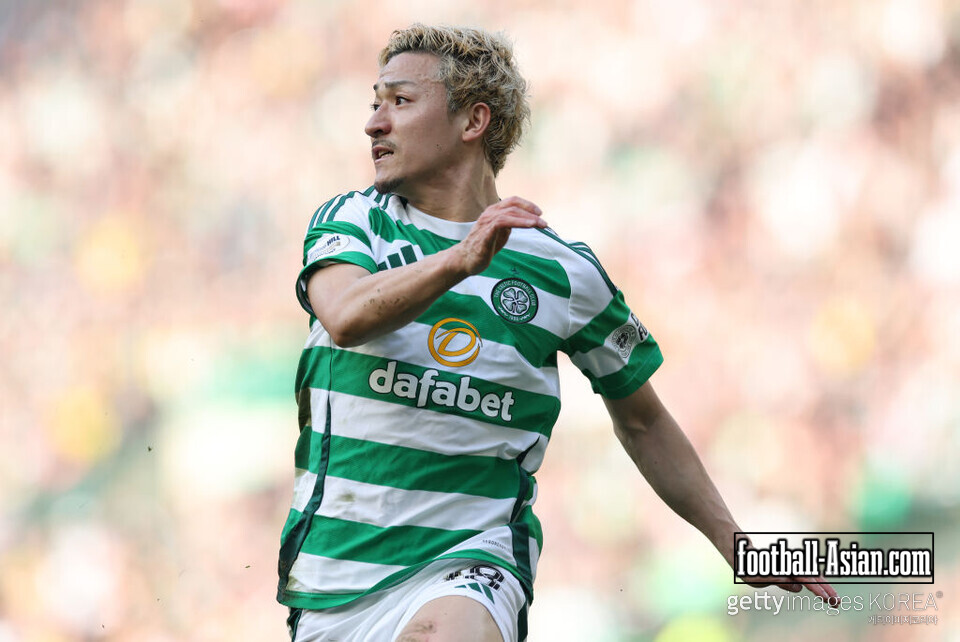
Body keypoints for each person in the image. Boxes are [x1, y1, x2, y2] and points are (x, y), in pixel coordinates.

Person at [276, 24, 837, 642]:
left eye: (400, 101)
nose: (374, 123)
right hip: (334, 579)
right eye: (375, 103)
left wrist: (735, 542)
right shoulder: (353, 221)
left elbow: (644, 421)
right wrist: (460, 260)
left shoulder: (563, 273)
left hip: (470, 561)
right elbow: (345, 315)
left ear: (473, 121)